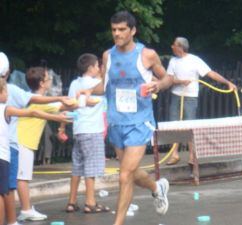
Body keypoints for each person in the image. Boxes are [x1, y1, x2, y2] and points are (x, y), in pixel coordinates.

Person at [96, 11, 173, 225]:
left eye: (122, 29)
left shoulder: (146, 55)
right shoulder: (107, 56)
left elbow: (168, 78)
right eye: (114, 30)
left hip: (140, 122)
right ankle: (157, 188)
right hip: (116, 122)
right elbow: (103, 87)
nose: (117, 34)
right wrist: (82, 93)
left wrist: (159, 84)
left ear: (133, 31)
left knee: (124, 175)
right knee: (129, 172)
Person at [0, 52, 73, 225]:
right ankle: (13, 220)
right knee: (7, 189)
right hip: (7, 150)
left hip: (12, 147)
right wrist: (60, 115)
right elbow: (34, 108)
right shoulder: (7, 105)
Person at [166, 37, 237, 165]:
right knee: (173, 125)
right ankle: (174, 154)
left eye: (174, 45)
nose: (172, 46)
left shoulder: (194, 60)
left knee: (190, 126)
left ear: (181, 47)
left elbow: (211, 73)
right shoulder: (173, 61)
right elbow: (169, 79)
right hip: (176, 96)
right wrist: (180, 82)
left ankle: (192, 156)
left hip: (191, 96)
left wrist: (227, 82)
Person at [58, 53, 109, 213]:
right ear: (91, 68)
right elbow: (106, 81)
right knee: (91, 168)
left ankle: (71, 202)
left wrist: (62, 127)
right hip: (93, 130)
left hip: (78, 130)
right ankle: (90, 202)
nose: (99, 68)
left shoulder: (74, 83)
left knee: (77, 167)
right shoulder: (98, 83)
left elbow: (68, 106)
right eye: (96, 66)